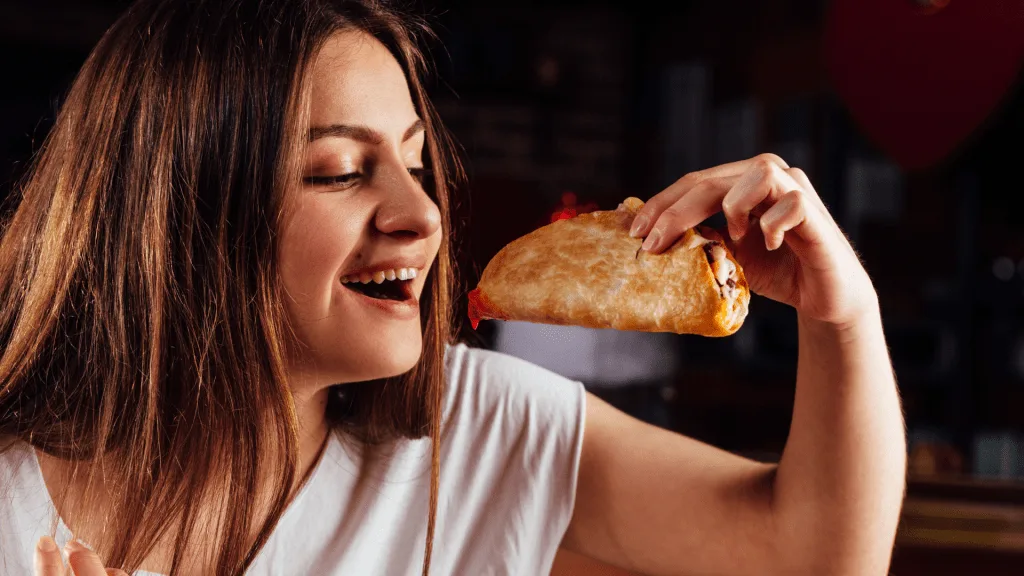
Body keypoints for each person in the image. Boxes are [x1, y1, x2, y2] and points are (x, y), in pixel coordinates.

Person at [0, 1, 906, 575]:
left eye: (415, 162)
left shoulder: (479, 425)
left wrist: (844, 311)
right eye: (340, 172)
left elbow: (816, 553)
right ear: (178, 212)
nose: (423, 216)